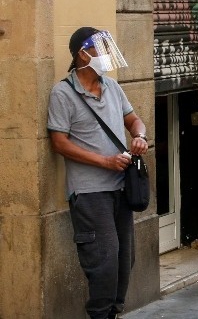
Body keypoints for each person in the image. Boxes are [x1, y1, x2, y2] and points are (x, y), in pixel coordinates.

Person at [48, 27, 149, 319]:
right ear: (83, 53)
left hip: (121, 187)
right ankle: (100, 314)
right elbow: (59, 143)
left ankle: (114, 311)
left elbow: (134, 120)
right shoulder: (63, 93)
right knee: (103, 258)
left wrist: (139, 136)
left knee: (123, 258)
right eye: (100, 49)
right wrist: (103, 162)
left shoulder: (112, 87)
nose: (106, 55)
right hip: (90, 190)